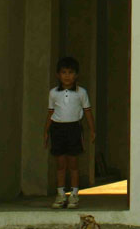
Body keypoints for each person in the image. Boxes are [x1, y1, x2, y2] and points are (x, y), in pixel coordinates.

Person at [45, 56, 95, 210]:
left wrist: (93, 130)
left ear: (76, 75)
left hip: (74, 129)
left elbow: (87, 112)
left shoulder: (81, 93)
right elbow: (50, 113)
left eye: (70, 72)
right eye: (64, 72)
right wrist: (45, 131)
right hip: (58, 129)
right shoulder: (53, 93)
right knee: (60, 164)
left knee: (73, 164)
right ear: (58, 75)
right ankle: (60, 195)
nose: (67, 76)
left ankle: (74, 195)